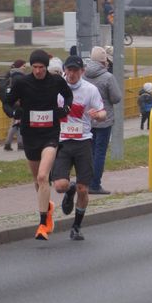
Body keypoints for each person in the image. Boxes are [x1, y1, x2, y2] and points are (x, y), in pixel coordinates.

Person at [4, 49, 73, 240]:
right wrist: (13, 113)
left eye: (41, 67)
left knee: (43, 176)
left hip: (50, 134)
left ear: (46, 67)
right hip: (30, 135)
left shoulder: (56, 81)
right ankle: (47, 208)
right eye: (34, 67)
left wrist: (65, 108)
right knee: (37, 181)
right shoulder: (22, 83)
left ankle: (42, 224)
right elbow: (7, 102)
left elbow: (68, 96)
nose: (37, 71)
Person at [53, 55, 106, 241]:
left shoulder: (90, 90)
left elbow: (103, 112)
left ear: (82, 71)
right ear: (64, 70)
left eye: (76, 70)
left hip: (83, 141)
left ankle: (76, 226)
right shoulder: (57, 89)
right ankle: (69, 189)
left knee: (84, 189)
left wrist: (97, 115)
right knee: (59, 186)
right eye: (69, 70)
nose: (72, 74)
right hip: (63, 141)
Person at [83, 46, 122, 194]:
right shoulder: (107, 77)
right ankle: (95, 184)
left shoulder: (84, 74)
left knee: (89, 152)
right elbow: (116, 97)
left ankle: (85, 182)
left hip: (87, 119)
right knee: (100, 153)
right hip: (104, 120)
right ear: (103, 61)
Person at [1, 59, 26, 151]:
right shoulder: (18, 77)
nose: (25, 68)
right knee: (17, 123)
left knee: (17, 123)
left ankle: (17, 143)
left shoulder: (11, 75)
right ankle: (11, 144)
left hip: (13, 104)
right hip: (18, 103)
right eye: (24, 66)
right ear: (19, 67)